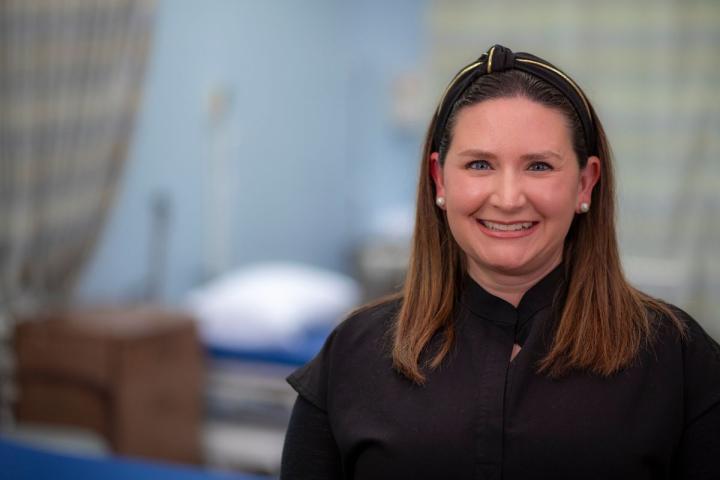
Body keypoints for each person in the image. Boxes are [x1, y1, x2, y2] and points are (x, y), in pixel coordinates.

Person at [279, 44, 720, 479]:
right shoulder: (353, 357)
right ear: (439, 179)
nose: (508, 199)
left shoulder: (678, 363)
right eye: (479, 165)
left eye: (540, 167)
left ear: (586, 184)